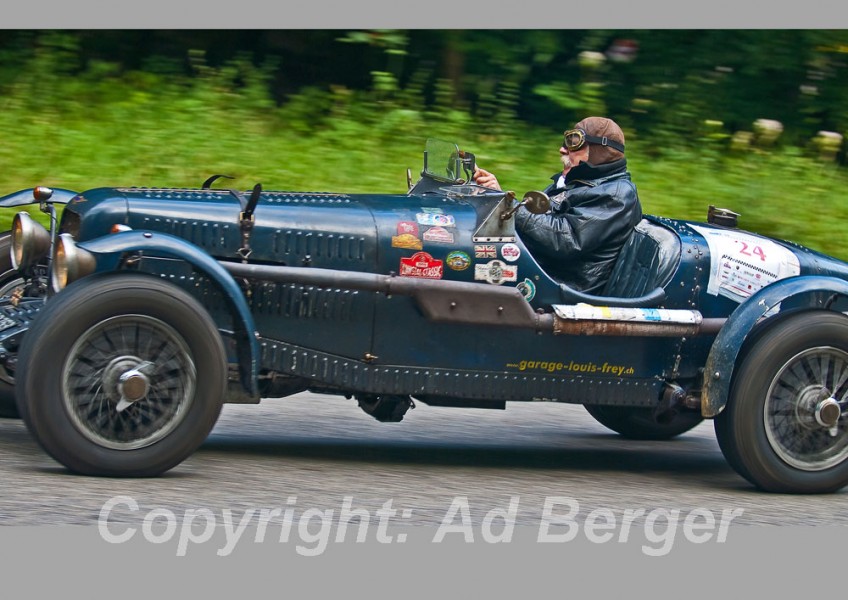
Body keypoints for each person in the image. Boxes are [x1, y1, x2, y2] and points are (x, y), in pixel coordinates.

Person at [473, 116, 642, 294]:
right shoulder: (575, 183)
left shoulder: (616, 194)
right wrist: (497, 193)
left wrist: (507, 206)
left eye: (573, 142)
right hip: (540, 268)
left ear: (599, 151)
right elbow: (538, 217)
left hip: (562, 287)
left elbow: (565, 240)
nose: (562, 149)